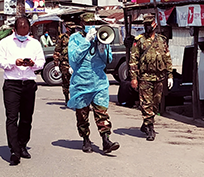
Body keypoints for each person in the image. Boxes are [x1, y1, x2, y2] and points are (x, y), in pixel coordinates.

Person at [0, 16, 45, 165]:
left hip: (29, 83)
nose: (23, 35)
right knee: (11, 117)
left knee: (26, 117)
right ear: (14, 30)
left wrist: (32, 64)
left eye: (26, 31)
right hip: (12, 83)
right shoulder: (5, 43)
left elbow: (41, 62)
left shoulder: (35, 44)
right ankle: (14, 150)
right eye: (20, 31)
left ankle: (22, 145)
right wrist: (13, 63)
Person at [67, 12, 119, 153]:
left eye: (93, 23)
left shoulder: (101, 37)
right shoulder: (75, 39)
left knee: (101, 112)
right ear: (82, 24)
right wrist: (86, 42)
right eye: (88, 23)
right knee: (82, 115)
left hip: (99, 82)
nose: (91, 26)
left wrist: (102, 49)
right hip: (81, 83)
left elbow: (108, 59)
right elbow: (73, 58)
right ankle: (86, 139)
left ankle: (106, 140)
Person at [129, 14, 173, 141]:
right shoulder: (140, 40)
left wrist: (170, 75)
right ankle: (150, 127)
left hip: (159, 77)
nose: (147, 27)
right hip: (145, 77)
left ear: (154, 25)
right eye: (145, 25)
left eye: (149, 24)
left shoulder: (162, 40)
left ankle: (146, 122)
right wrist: (134, 78)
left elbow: (167, 58)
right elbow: (133, 60)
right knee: (146, 103)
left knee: (156, 103)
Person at [53, 21, 75, 104]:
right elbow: (57, 51)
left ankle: (75, 99)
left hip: (75, 62)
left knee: (76, 82)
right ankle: (67, 98)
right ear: (67, 28)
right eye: (70, 28)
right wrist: (56, 65)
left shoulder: (77, 37)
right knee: (66, 81)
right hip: (65, 62)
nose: (72, 30)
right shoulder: (62, 37)